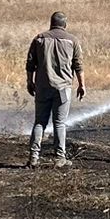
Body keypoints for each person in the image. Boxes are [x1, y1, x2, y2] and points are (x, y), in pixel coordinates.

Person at [25, 11, 85, 167]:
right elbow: (78, 66)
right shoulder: (72, 41)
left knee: (39, 122)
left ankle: (33, 157)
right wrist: (81, 85)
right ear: (65, 24)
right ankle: (59, 158)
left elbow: (30, 64)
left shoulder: (39, 39)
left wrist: (30, 82)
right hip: (63, 88)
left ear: (51, 23)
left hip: (42, 87)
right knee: (59, 123)